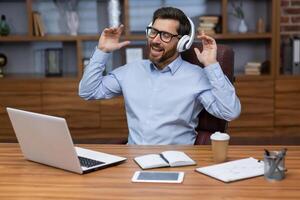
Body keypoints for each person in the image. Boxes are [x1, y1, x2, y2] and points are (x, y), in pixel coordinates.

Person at [79, 7, 241, 145]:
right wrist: (102, 51)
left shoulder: (196, 77)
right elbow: (88, 91)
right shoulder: (130, 71)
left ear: (182, 42)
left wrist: (212, 65)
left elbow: (229, 112)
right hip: (133, 162)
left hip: (177, 163)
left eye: (165, 35)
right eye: (153, 32)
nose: (155, 40)